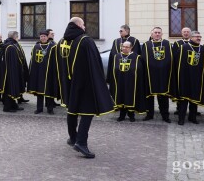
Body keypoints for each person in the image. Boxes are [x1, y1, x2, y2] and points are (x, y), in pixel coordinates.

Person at [56, 17, 115, 158]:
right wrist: (100, 82)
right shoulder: (85, 40)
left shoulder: (61, 42)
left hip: (68, 84)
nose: (84, 27)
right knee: (87, 112)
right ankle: (81, 143)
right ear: (77, 25)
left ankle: (73, 137)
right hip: (85, 83)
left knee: (72, 110)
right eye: (83, 25)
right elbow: (95, 63)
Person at [173, 31, 204, 125]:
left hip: (197, 77)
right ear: (191, 38)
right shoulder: (183, 47)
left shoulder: (203, 48)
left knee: (194, 98)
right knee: (183, 99)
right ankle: (181, 118)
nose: (199, 38)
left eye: (200, 36)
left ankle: (193, 117)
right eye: (197, 37)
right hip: (185, 77)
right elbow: (176, 62)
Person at [107, 41, 146, 122]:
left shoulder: (136, 57)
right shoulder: (116, 57)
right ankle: (122, 115)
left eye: (127, 47)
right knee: (120, 96)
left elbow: (140, 70)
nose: (124, 48)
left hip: (131, 82)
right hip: (119, 82)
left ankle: (131, 115)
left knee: (130, 97)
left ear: (131, 48)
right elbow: (112, 70)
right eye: (123, 46)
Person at [142, 27, 173, 123]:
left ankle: (165, 115)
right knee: (149, 96)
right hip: (149, 74)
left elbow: (170, 59)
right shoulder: (146, 45)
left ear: (162, 34)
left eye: (159, 32)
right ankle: (149, 114)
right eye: (155, 32)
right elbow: (143, 59)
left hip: (163, 74)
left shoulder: (167, 44)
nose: (157, 34)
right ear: (151, 34)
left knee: (163, 96)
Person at [0, 31, 29, 112]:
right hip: (10, 73)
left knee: (10, 89)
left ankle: (13, 105)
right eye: (17, 36)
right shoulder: (10, 47)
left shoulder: (9, 45)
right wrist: (15, 73)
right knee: (9, 89)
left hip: (8, 72)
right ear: (15, 37)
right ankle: (7, 107)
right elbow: (12, 63)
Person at [27, 31, 57, 114]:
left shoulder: (53, 46)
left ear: (47, 37)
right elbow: (33, 60)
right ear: (39, 37)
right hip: (39, 73)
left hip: (49, 73)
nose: (43, 38)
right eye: (41, 36)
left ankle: (50, 109)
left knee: (49, 91)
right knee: (39, 91)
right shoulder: (36, 46)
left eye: (44, 36)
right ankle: (39, 108)